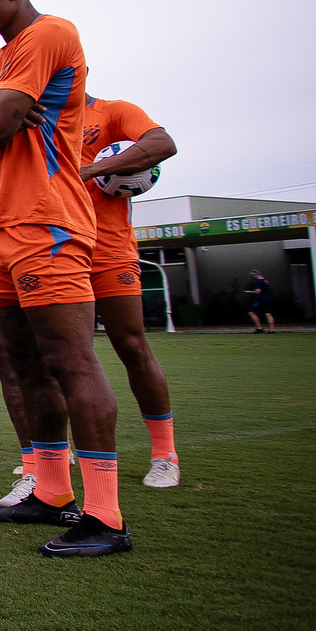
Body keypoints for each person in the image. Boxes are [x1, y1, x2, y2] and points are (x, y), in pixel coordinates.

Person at [0, 0, 128, 559]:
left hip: (46, 226)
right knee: (22, 367)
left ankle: (105, 514)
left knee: (70, 362)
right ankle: (51, 490)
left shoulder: (50, 35)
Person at [79, 95, 182, 486]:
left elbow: (161, 145)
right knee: (63, 354)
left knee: (132, 345)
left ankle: (165, 454)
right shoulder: (37, 119)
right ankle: (58, 453)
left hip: (108, 251)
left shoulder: (113, 112)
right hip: (53, 251)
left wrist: (91, 170)